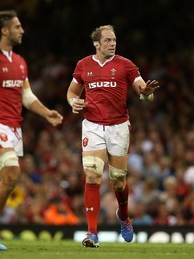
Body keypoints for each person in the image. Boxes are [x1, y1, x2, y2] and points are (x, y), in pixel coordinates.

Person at [0, 10, 63, 251]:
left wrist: (46, 112)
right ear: (4, 31)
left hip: (14, 128)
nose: (22, 30)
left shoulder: (19, 61)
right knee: (11, 175)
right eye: (17, 26)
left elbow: (27, 96)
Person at [66, 25, 160, 247]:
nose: (112, 43)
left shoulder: (126, 65)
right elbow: (71, 92)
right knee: (92, 175)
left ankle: (124, 217)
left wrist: (147, 94)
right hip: (92, 126)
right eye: (107, 40)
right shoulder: (83, 65)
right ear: (96, 44)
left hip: (118, 127)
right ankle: (91, 232)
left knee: (118, 182)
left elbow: (143, 91)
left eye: (114, 39)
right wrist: (73, 102)